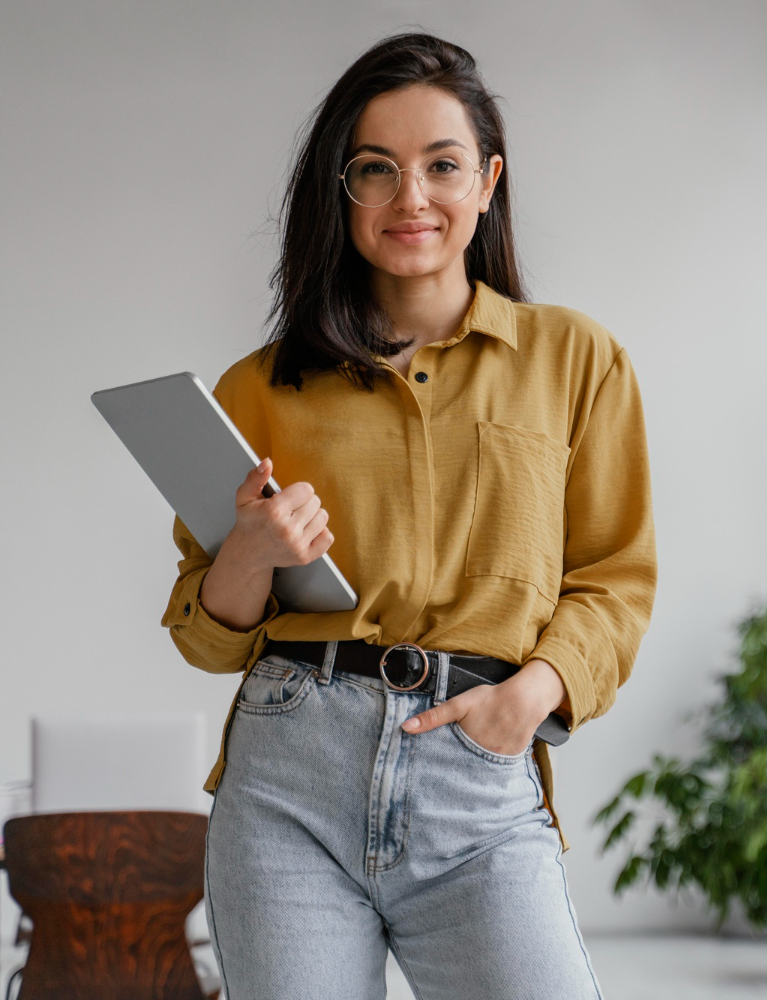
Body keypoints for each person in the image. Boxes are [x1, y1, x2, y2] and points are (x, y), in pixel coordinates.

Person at [161, 32, 656, 999]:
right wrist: (252, 555)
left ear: (488, 181)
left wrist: (532, 695)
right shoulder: (258, 389)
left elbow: (614, 578)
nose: (411, 199)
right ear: (340, 192)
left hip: (477, 769)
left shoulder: (576, 360)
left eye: (442, 166)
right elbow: (209, 638)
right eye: (375, 171)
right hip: (286, 780)